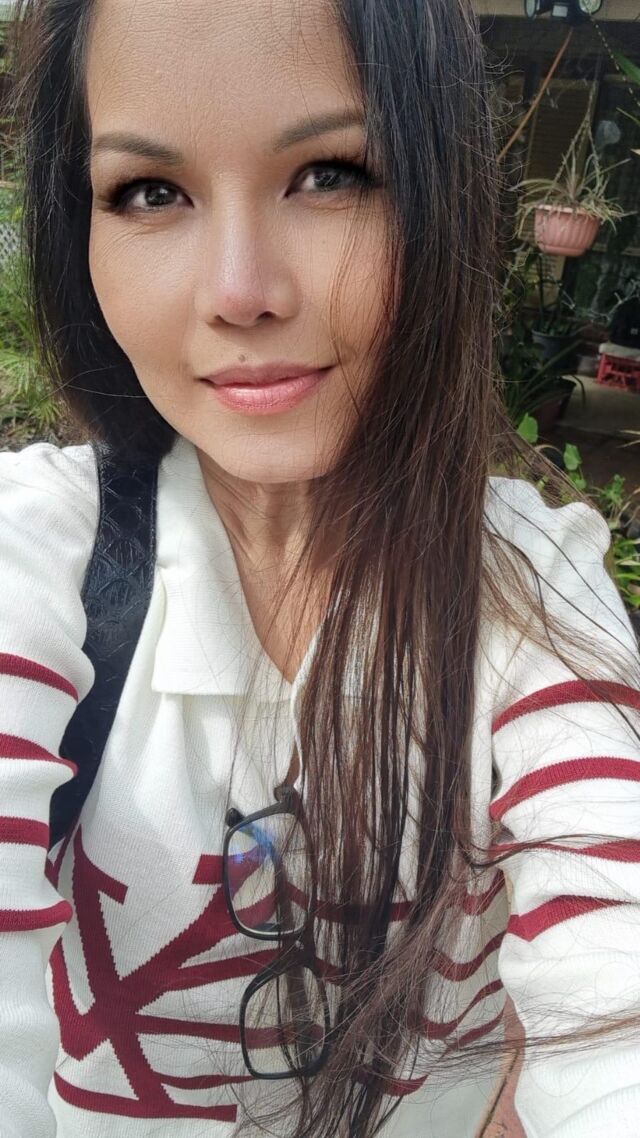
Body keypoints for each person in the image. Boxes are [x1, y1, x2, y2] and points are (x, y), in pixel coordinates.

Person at [0, 1, 639, 1136]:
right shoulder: (37, 558)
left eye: (330, 175)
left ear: (443, 200)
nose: (240, 290)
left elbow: (614, 1008)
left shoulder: (529, 590)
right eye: (150, 192)